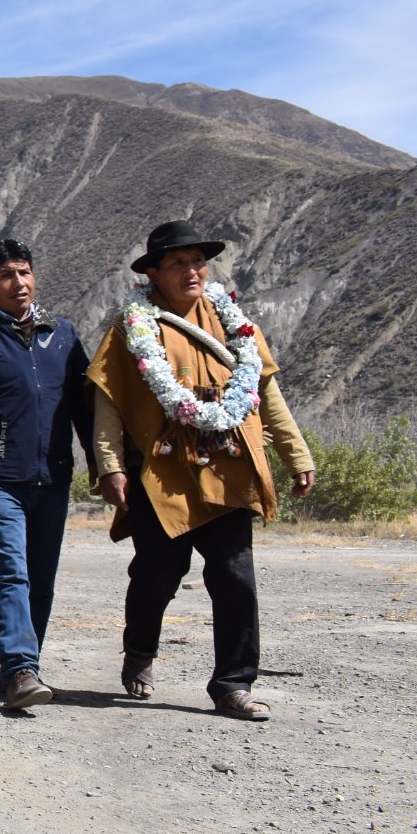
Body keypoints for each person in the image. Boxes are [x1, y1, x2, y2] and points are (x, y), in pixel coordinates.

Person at [86, 221, 316, 721]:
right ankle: (140, 649)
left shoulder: (234, 323)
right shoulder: (132, 328)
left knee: (235, 577)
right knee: (158, 575)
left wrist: (296, 455)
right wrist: (110, 466)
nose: (192, 271)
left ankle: (233, 684)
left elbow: (265, 392)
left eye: (198, 262)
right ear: (153, 274)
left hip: (228, 467)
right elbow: (108, 402)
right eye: (178, 263)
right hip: (162, 474)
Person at [0, 239, 94, 711]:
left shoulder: (62, 334)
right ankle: (19, 668)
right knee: (10, 572)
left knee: (41, 578)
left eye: (24, 272)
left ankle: (27, 665)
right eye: (7, 275)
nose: (19, 282)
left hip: (53, 476)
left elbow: (84, 407)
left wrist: (101, 464)